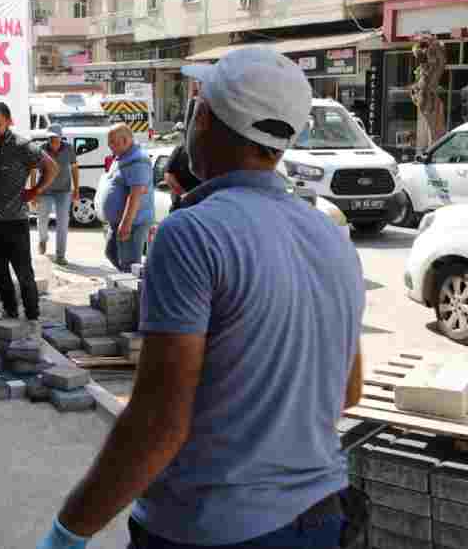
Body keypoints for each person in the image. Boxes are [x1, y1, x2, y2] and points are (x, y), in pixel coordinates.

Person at [38, 47, 365, 549]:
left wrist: (69, 530)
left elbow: (158, 422)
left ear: (205, 119)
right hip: (321, 519)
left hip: (211, 530)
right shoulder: (330, 236)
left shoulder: (193, 234)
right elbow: (347, 393)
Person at [0, 102, 59, 326]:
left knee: (24, 274)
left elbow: (52, 168)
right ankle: (10, 312)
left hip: (16, 223)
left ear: (9, 121)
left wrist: (35, 190)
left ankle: (32, 316)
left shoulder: (23, 146)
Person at [102, 123, 154, 272]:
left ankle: (135, 291)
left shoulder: (138, 160)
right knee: (111, 253)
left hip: (133, 223)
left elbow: (135, 194)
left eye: (113, 142)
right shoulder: (122, 157)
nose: (110, 146)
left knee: (129, 264)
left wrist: (126, 224)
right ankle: (130, 282)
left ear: (125, 140)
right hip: (118, 222)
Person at [34, 124, 80, 265]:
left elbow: (74, 168)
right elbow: (33, 170)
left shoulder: (69, 149)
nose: (53, 140)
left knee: (63, 223)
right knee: (42, 219)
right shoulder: (41, 149)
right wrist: (33, 191)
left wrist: (76, 189)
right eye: (50, 138)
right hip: (45, 190)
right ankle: (43, 239)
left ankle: (60, 255)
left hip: (63, 191)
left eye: (55, 137)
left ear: (61, 137)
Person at [164, 142, 200, 212]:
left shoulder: (210, 152)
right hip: (182, 206)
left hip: (203, 205)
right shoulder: (180, 150)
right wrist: (184, 194)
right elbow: (168, 175)